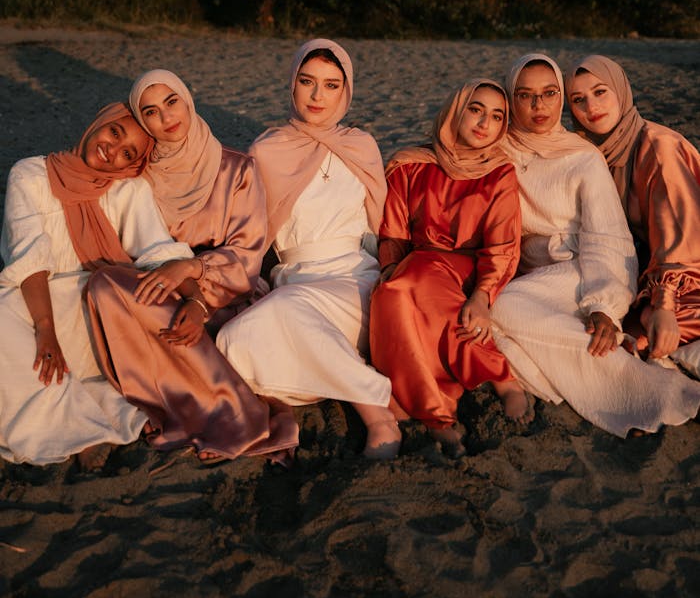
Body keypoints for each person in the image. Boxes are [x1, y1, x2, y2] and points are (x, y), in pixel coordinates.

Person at [86, 70, 298, 463]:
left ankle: (236, 416)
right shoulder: (138, 172)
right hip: (161, 291)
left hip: (225, 293)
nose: (166, 117)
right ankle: (179, 409)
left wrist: (191, 276)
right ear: (142, 122)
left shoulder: (237, 169)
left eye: (171, 102)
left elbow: (248, 253)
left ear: (187, 99)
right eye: (150, 112)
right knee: (105, 286)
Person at [489, 53, 700, 437]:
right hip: (542, 274)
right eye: (525, 95)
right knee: (495, 326)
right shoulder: (503, 150)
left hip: (671, 272)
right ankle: (614, 385)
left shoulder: (596, 153)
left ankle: (645, 386)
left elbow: (608, 238)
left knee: (506, 310)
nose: (539, 106)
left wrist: (606, 305)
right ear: (510, 99)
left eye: (550, 93)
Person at [216, 39, 400, 460]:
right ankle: (337, 371)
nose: (318, 96)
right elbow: (249, 231)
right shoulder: (267, 150)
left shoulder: (362, 145)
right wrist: (248, 279)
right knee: (233, 340)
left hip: (356, 280)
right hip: (295, 278)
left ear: (346, 91)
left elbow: (383, 225)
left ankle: (377, 414)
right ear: (292, 84)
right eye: (308, 82)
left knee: (286, 312)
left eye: (331, 85)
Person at [0, 102, 193, 468]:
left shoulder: (128, 189)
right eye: (114, 133)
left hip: (101, 310)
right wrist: (46, 330)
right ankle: (84, 422)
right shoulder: (31, 174)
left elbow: (160, 254)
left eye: (128, 154)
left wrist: (195, 302)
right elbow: (29, 259)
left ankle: (74, 426)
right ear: (99, 122)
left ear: (133, 165)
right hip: (39, 301)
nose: (112, 150)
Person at [370, 79, 529, 457]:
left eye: (496, 116)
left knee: (417, 282)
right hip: (417, 262)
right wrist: (390, 266)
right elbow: (393, 229)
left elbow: (503, 245)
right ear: (456, 110)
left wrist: (483, 294)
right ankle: (435, 411)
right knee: (391, 295)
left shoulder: (499, 172)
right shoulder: (411, 164)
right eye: (476, 109)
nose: (484, 123)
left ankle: (496, 381)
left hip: (469, 266)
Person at [564, 54, 700, 376]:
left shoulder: (657, 146)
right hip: (644, 272)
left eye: (600, 92)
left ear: (621, 91)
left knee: (645, 334)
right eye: (578, 100)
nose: (591, 107)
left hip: (687, 269)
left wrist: (664, 304)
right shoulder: (591, 153)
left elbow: (678, 233)